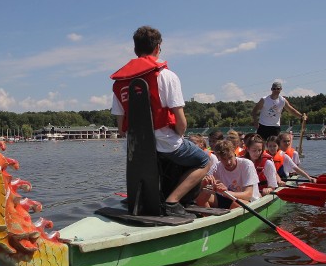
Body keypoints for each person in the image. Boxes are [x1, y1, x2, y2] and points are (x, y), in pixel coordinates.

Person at [111, 26, 211, 216]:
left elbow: (121, 127)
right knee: (204, 160)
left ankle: (145, 199)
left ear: (135, 49)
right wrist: (178, 136)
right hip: (166, 142)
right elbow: (181, 123)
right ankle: (172, 202)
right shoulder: (166, 75)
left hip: (137, 148)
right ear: (158, 47)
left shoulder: (119, 82)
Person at [197, 140, 259, 209]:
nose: (228, 162)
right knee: (201, 197)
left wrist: (226, 192)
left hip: (249, 201)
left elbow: (248, 195)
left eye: (230, 157)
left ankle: (224, 217)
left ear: (234, 152)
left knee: (236, 204)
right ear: (218, 157)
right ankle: (208, 217)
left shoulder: (247, 164)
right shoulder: (217, 167)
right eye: (224, 159)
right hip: (228, 198)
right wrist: (204, 183)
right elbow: (201, 185)